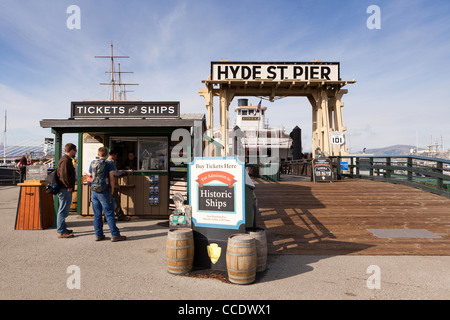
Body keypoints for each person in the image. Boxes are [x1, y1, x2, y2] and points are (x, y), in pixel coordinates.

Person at [89, 147, 126, 242]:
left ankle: (98, 234)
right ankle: (115, 234)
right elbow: (111, 178)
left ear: (98, 154)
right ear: (106, 154)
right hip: (104, 192)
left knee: (97, 214)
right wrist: (112, 189)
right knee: (109, 213)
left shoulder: (93, 163)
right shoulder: (109, 163)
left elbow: (89, 176)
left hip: (94, 191)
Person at [56, 143, 77, 238]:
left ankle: (63, 228)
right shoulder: (66, 161)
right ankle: (61, 231)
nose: (76, 152)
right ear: (71, 150)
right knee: (63, 210)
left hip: (64, 188)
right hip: (64, 189)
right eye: (75, 150)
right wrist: (68, 186)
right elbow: (64, 175)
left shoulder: (65, 159)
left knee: (64, 209)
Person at [107, 150, 130, 221]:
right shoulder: (111, 163)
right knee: (116, 200)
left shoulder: (106, 162)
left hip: (107, 184)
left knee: (109, 201)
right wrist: (124, 173)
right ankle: (120, 215)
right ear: (113, 155)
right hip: (112, 184)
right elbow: (115, 173)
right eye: (116, 156)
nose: (116, 157)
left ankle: (106, 217)